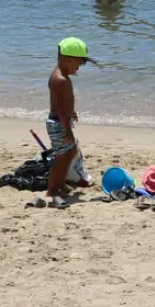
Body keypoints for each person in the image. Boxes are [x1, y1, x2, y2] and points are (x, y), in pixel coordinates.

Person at [45, 37, 92, 200]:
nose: (78, 68)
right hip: (59, 123)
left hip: (60, 121)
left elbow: (63, 103)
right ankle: (52, 188)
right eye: (77, 64)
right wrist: (68, 131)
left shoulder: (59, 75)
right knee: (62, 156)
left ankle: (59, 184)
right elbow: (59, 109)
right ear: (68, 59)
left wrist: (71, 111)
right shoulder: (61, 80)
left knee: (69, 153)